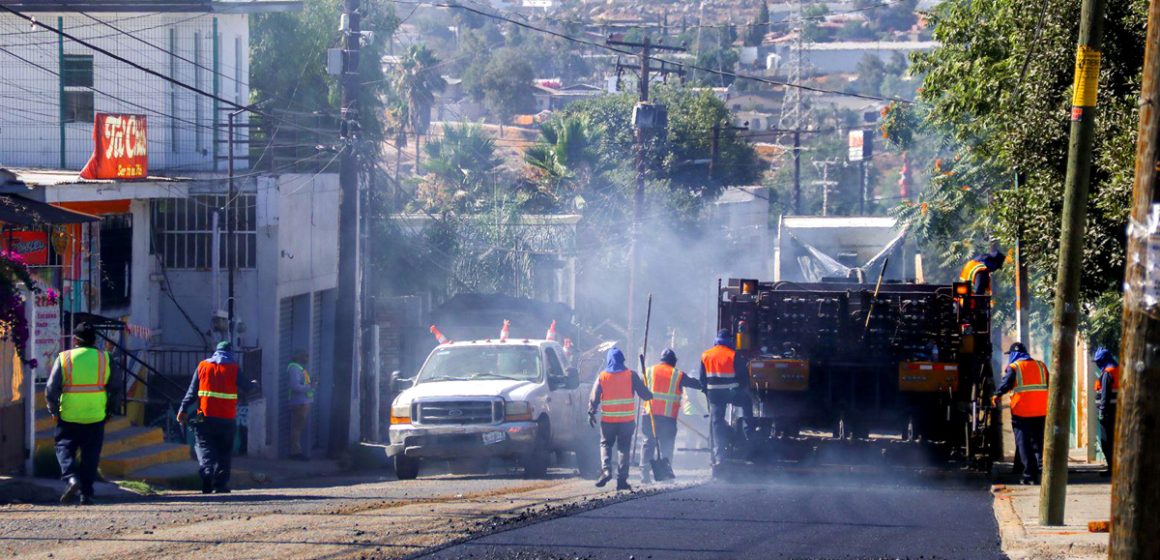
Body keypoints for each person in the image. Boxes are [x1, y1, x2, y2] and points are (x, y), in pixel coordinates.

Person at [45, 323, 111, 505]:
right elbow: (115, 388)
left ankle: (71, 478)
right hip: (96, 414)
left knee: (64, 448)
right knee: (91, 455)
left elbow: (51, 388)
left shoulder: (64, 358)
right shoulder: (105, 358)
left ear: (75, 340)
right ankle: (86, 494)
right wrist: (109, 411)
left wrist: (53, 410)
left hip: (69, 414)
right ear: (95, 340)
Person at [179, 341, 252, 494]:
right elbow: (248, 387)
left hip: (203, 416)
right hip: (227, 416)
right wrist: (254, 384)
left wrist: (182, 409)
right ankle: (220, 485)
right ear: (230, 352)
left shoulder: (202, 366)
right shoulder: (233, 368)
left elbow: (191, 393)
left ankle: (207, 471)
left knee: (203, 445)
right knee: (224, 451)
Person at [588, 347, 652, 491]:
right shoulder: (631, 375)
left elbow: (594, 396)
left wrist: (591, 412)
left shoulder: (602, 376)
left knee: (605, 445)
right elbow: (644, 393)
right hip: (626, 421)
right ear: (622, 360)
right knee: (624, 448)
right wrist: (649, 395)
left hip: (608, 421)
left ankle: (606, 471)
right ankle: (622, 480)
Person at [639, 348, 701, 483]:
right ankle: (666, 475)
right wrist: (707, 384)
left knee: (648, 443)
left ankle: (644, 475)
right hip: (667, 417)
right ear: (673, 361)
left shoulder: (648, 371)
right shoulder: (678, 374)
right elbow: (694, 384)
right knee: (666, 444)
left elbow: (640, 388)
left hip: (649, 414)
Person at [992, 342, 1048, 485]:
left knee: (1024, 444)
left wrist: (996, 395)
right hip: (1041, 411)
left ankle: (1030, 475)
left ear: (1013, 355)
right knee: (1038, 442)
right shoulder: (1041, 366)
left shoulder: (1014, 367)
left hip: (1022, 413)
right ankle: (1041, 471)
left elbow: (1005, 385)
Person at [700, 329, 753, 470]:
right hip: (731, 393)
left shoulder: (705, 355)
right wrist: (740, 389)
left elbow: (702, 379)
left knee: (716, 422)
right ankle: (749, 435)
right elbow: (744, 378)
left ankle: (719, 457)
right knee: (747, 403)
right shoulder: (733, 355)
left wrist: (707, 392)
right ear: (729, 340)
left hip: (714, 395)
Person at [1092, 347, 1119, 476]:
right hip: (1118, 411)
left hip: (1108, 413)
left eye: (1098, 361)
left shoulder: (1107, 373)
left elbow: (1105, 396)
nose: (1097, 364)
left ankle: (1112, 469)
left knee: (1106, 442)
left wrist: (1102, 412)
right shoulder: (1118, 369)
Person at [287, 351, 313, 460]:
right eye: (305, 356)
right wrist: (310, 387)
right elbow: (295, 386)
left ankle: (297, 451)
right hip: (299, 403)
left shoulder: (300, 369)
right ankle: (296, 452)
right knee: (296, 429)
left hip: (302, 402)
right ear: (299, 357)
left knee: (298, 428)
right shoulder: (295, 369)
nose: (307, 359)